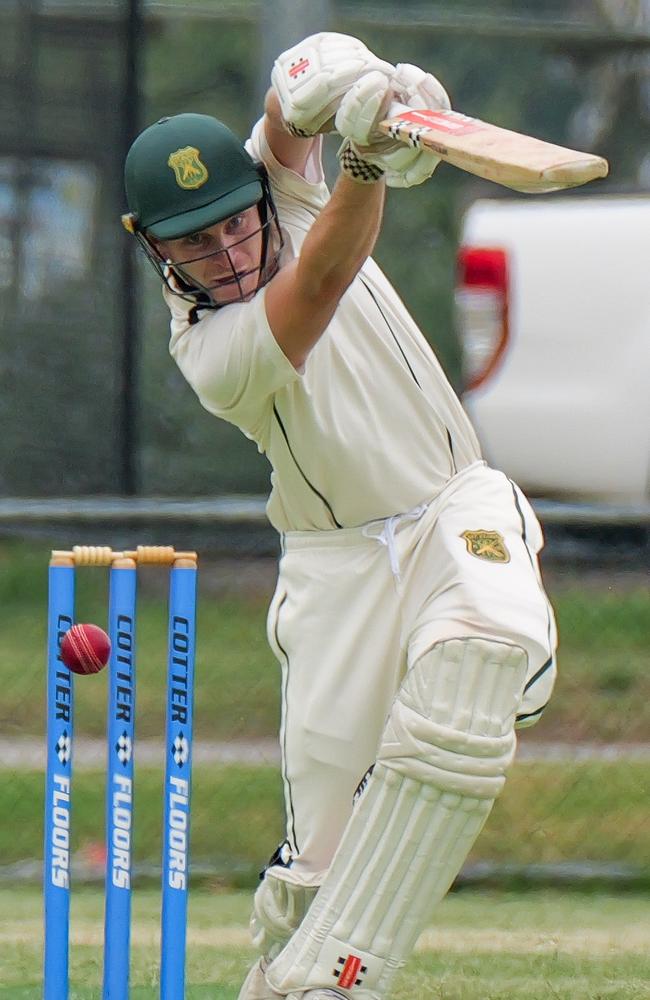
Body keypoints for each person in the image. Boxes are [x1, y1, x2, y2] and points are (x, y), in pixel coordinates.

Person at [122, 32, 557, 1000]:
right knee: (317, 868)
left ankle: (345, 973)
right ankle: (291, 979)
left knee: (477, 657)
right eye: (195, 244)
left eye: (235, 225)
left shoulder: (273, 195)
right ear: (153, 247)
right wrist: (367, 161)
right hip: (337, 572)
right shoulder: (213, 348)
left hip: (453, 502)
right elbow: (318, 276)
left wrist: (357, 88)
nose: (230, 253)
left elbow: (289, 104)